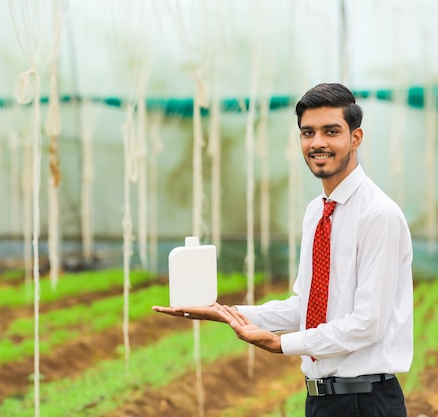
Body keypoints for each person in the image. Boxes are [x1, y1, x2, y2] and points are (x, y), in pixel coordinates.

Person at [152, 83, 413, 417]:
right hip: (320, 401)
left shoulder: (379, 215)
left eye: (331, 131)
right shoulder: (317, 212)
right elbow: (304, 307)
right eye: (308, 132)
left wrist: (281, 344)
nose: (318, 142)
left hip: (366, 401)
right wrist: (225, 313)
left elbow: (367, 323)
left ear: (356, 138)